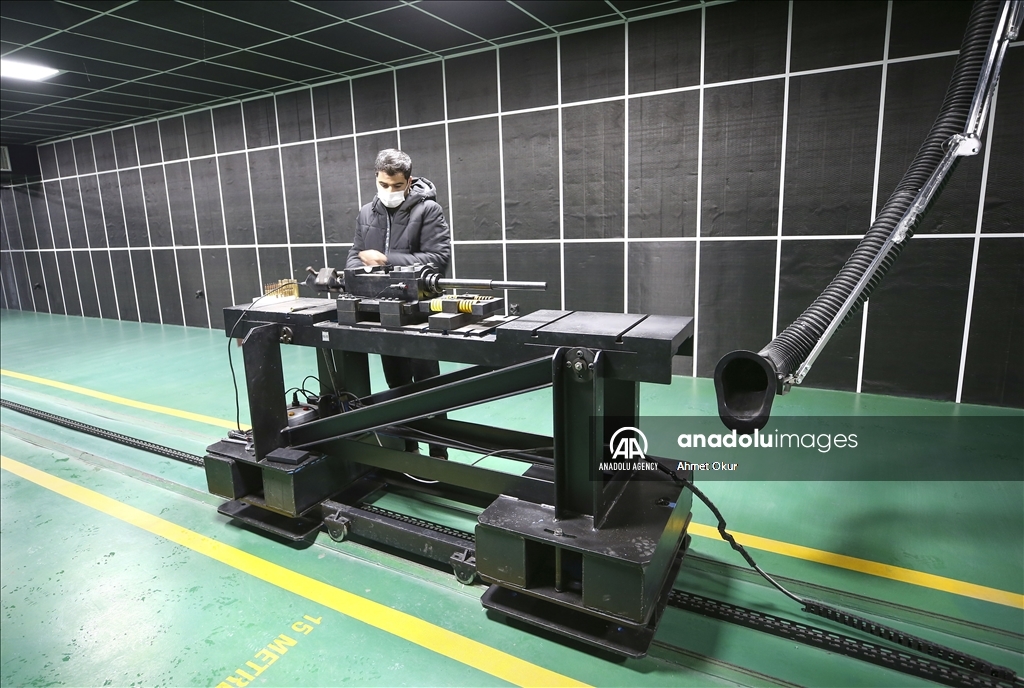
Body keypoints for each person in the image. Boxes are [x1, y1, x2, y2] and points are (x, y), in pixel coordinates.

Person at [347, 149, 450, 459]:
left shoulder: (428, 210)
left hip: (420, 314)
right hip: (384, 311)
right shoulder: (366, 213)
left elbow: (437, 260)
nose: (389, 191)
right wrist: (358, 269)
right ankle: (409, 452)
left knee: (429, 388)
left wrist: (386, 260)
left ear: (409, 181)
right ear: (376, 179)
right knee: (397, 386)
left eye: (396, 185)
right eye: (383, 184)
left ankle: (438, 455)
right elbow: (354, 257)